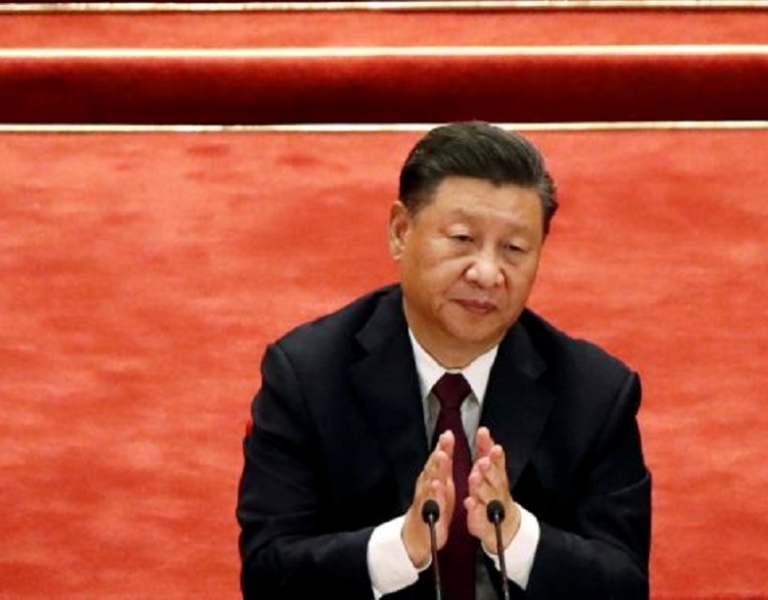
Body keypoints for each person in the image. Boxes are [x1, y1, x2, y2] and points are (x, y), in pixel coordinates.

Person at [237, 121, 651, 599]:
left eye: (514, 249)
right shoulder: (308, 375)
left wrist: (517, 537)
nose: (487, 273)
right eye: (461, 239)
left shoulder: (596, 393)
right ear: (400, 232)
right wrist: (399, 548)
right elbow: (268, 575)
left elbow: (625, 585)